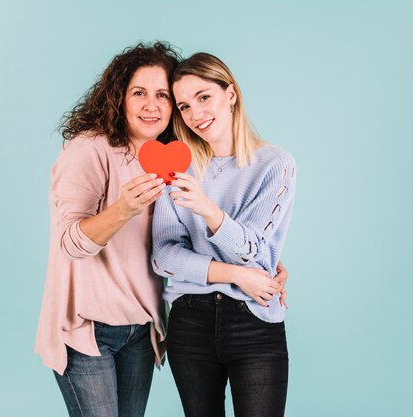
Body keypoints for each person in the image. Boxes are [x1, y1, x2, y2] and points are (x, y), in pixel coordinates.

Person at [35, 42, 289, 417]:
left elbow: (240, 242)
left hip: (142, 327)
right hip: (88, 328)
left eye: (164, 96)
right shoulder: (89, 150)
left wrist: (266, 264)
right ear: (119, 97)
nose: (152, 106)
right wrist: (123, 209)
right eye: (139, 93)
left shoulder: (175, 157)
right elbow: (76, 245)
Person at [152, 52, 297, 417]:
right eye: (184, 106)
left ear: (230, 94)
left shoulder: (275, 165)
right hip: (190, 321)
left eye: (204, 97)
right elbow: (164, 256)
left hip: (254, 319)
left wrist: (208, 211)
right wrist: (234, 275)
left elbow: (254, 252)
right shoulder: (177, 169)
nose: (196, 114)